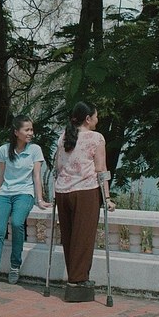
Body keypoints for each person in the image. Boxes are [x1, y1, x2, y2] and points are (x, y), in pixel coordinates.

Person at [0, 115, 51, 287]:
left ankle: (15, 266)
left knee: (18, 223)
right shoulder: (4, 150)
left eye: (31, 129)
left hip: (24, 194)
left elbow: (36, 176)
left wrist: (40, 199)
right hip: (5, 194)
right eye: (27, 130)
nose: (31, 133)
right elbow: (1, 175)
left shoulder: (35, 150)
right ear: (16, 132)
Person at [54, 101, 115, 288]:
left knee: (69, 237)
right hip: (85, 192)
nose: (97, 120)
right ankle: (78, 280)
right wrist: (107, 197)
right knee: (84, 237)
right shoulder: (96, 138)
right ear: (88, 119)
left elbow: (58, 166)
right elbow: (101, 169)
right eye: (96, 116)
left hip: (62, 192)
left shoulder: (64, 136)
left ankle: (75, 276)